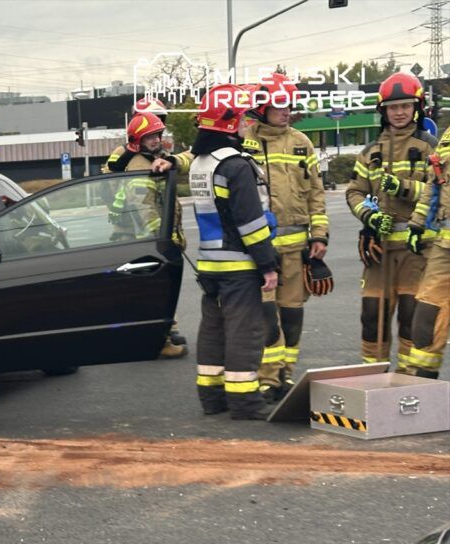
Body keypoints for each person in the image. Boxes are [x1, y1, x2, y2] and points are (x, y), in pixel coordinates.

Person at [189, 84, 279, 420]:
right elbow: (250, 223)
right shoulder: (236, 165)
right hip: (239, 265)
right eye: (242, 119)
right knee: (244, 332)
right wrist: (268, 265)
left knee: (212, 331)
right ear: (228, 123)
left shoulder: (200, 163)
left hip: (209, 263)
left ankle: (212, 398)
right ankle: (245, 402)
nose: (246, 125)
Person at [242, 72, 332, 402]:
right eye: (279, 104)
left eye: (288, 104)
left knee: (292, 315)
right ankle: (268, 378)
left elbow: (316, 192)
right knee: (267, 319)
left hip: (296, 249)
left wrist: (319, 235)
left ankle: (286, 375)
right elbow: (204, 157)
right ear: (261, 107)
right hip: (261, 251)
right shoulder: (244, 141)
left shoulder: (301, 142)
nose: (286, 111)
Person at [346, 72, 437, 370]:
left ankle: (406, 378)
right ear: (383, 111)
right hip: (379, 249)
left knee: (411, 316)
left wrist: (403, 188)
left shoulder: (430, 148)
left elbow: (440, 191)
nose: (399, 112)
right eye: (393, 107)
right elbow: (355, 192)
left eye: (406, 106)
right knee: (372, 315)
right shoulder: (370, 151)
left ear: (417, 108)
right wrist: (369, 217)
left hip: (417, 249)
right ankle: (373, 375)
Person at [102, 96, 190, 358]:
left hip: (142, 229)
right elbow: (140, 203)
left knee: (153, 286)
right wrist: (162, 238)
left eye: (160, 123)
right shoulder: (129, 158)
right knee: (149, 286)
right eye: (151, 128)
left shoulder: (157, 154)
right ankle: (154, 336)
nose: (157, 130)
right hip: (134, 231)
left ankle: (166, 329)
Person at [405, 125, 450, 377]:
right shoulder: (448, 137)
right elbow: (434, 184)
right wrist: (416, 223)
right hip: (445, 248)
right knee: (427, 315)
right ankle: (423, 384)